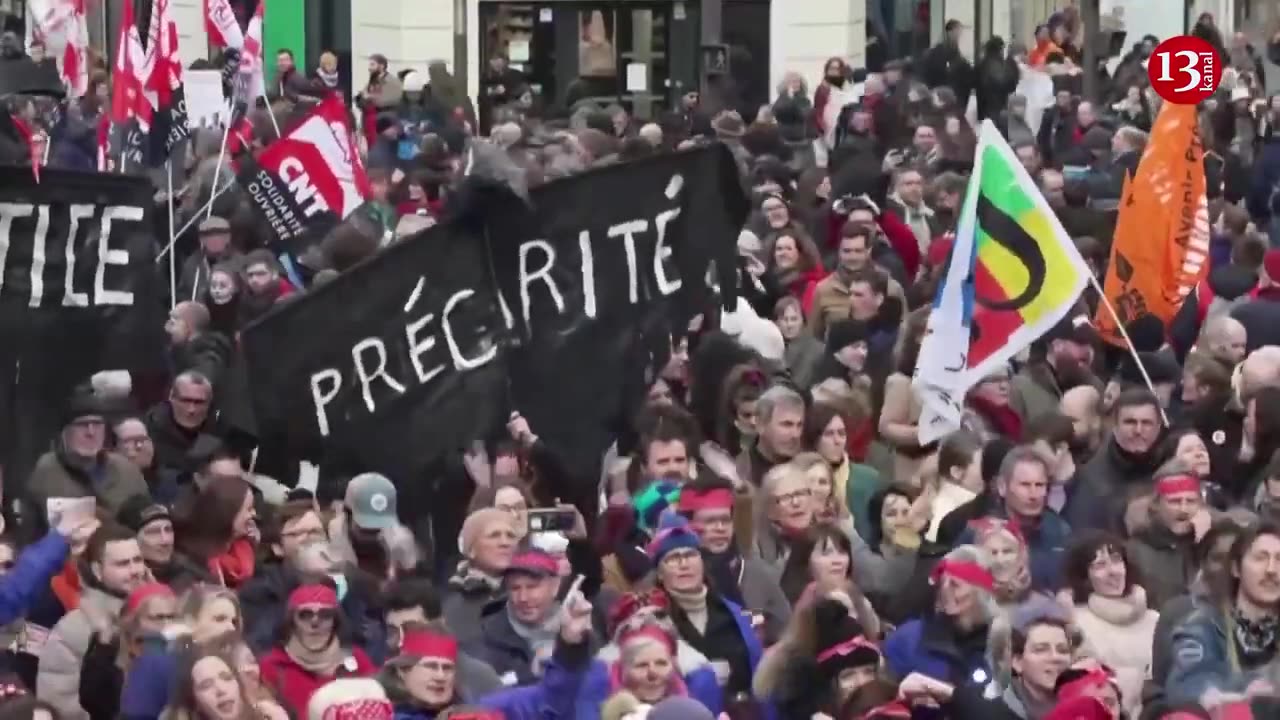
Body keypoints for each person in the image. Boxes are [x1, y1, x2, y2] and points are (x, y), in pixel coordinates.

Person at [38, 524, 149, 720]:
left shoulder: (163, 613)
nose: (135, 571)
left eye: (138, 560)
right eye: (122, 564)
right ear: (97, 570)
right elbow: (61, 707)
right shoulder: (72, 630)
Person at [1062, 532, 1158, 718]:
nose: (1112, 571)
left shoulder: (1155, 619)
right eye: (1099, 565)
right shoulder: (1075, 621)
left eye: (1116, 560)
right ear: (1084, 576)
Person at [883, 545, 996, 690]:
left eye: (954, 585)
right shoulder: (908, 638)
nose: (944, 590)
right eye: (943, 582)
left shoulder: (1002, 646)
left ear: (981, 593)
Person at [27, 391, 148, 526]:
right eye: (82, 424)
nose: (91, 432)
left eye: (97, 424)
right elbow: (31, 530)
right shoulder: (46, 471)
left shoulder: (126, 471)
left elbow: (146, 522)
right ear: (64, 432)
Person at [259, 583, 376, 716]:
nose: (315, 622)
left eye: (325, 614)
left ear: (335, 621)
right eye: (305, 614)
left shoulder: (357, 660)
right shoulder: (272, 666)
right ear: (292, 621)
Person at [383, 577, 503, 697]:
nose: (399, 641)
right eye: (392, 631)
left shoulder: (478, 678)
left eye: (411, 629)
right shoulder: (379, 684)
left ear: (440, 624)